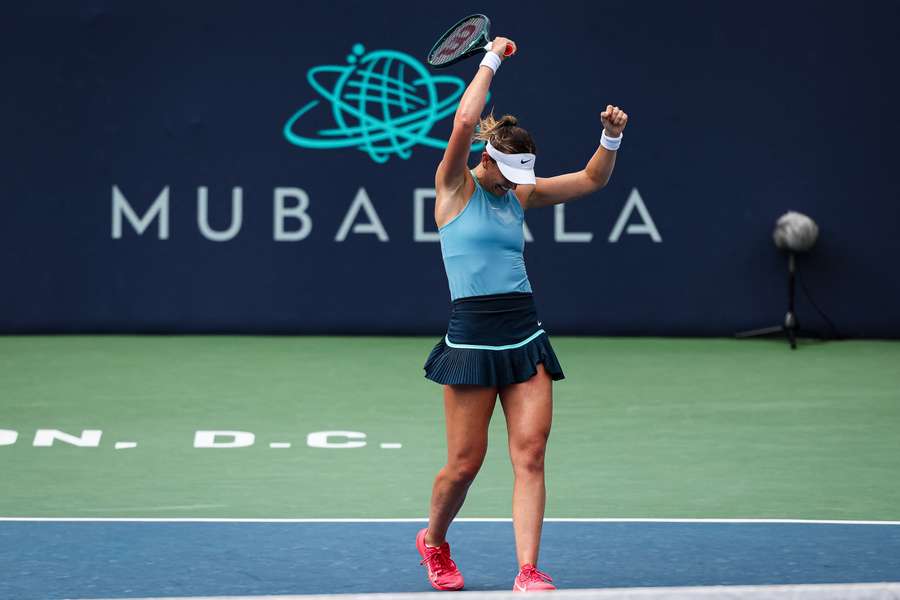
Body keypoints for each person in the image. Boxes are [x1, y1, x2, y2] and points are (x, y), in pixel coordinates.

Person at [416, 35, 629, 593]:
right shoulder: (453, 187)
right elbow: (464, 122)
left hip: (524, 331)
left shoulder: (520, 195)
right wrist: (490, 59)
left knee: (530, 453)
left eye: (521, 179)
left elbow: (591, 179)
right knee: (464, 466)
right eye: (508, 176)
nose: (515, 187)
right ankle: (434, 540)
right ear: (488, 161)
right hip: (471, 338)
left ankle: (528, 570)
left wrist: (611, 136)